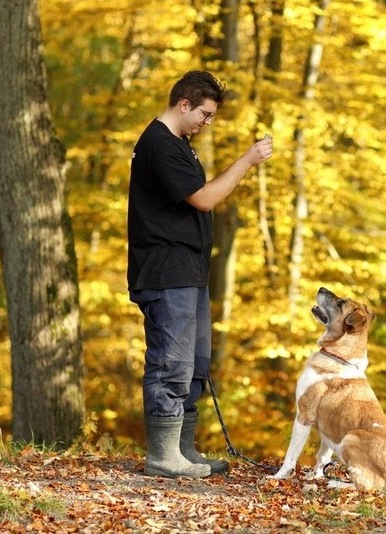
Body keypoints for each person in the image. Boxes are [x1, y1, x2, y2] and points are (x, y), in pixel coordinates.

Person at [127, 70, 273, 478]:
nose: (207, 123)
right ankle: (161, 456)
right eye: (205, 115)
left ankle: (182, 451)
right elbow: (205, 199)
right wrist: (247, 160)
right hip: (164, 270)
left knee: (194, 364)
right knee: (170, 362)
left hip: (188, 271)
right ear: (184, 104)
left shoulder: (180, 144)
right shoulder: (159, 144)